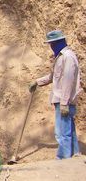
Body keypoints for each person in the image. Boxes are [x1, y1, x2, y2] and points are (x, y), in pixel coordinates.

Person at [29, 30, 81, 160]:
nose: (51, 46)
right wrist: (37, 82)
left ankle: (63, 159)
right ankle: (75, 154)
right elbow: (53, 77)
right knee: (69, 130)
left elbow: (68, 81)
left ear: (58, 42)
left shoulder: (67, 57)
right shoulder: (60, 57)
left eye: (52, 43)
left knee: (62, 133)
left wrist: (64, 103)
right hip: (62, 100)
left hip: (65, 100)